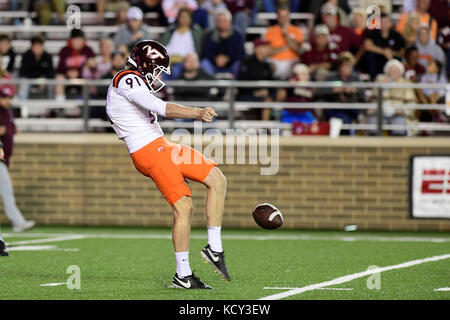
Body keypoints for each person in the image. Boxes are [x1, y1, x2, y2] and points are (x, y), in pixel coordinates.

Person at [106, 40, 230, 289]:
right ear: (146, 63)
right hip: (149, 151)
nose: (158, 74)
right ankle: (183, 275)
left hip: (162, 146)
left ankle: (214, 249)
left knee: (216, 178)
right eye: (157, 68)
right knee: (183, 207)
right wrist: (196, 112)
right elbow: (159, 107)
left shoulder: (135, 79)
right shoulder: (126, 79)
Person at [0, 87, 36, 233]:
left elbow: (11, 128)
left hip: (4, 158)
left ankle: (18, 221)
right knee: (7, 189)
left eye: (10, 98)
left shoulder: (7, 112)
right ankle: (18, 221)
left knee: (6, 189)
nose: (8, 100)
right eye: (5, 97)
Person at [316, 52, 363, 134]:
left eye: (350, 66)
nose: (349, 68)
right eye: (346, 65)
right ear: (340, 66)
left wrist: (355, 90)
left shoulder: (356, 78)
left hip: (350, 107)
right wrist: (332, 90)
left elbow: (363, 93)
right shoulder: (331, 77)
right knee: (342, 118)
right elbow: (319, 92)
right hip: (335, 107)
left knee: (350, 117)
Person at [368, 59, 417, 136]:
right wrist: (382, 86)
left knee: (399, 124)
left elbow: (412, 102)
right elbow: (372, 97)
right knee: (373, 122)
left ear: (400, 72)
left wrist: (403, 110)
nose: (393, 72)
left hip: (398, 112)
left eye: (396, 70)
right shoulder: (380, 80)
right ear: (387, 71)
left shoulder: (405, 83)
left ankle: (396, 146)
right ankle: (374, 145)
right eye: (391, 70)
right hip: (380, 111)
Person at [237, 38, 279, 120]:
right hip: (247, 95)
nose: (268, 48)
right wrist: (254, 92)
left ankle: (271, 124)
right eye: (264, 46)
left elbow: (272, 83)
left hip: (263, 96)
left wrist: (267, 91)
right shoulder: (247, 63)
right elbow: (241, 82)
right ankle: (265, 128)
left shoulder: (267, 65)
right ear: (257, 49)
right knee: (267, 100)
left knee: (278, 94)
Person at [161, 8, 204, 79]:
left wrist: (181, 59)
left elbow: (198, 50)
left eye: (186, 17)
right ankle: (166, 89)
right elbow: (164, 45)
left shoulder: (196, 32)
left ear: (190, 19)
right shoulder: (171, 30)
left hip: (186, 60)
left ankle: (174, 89)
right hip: (169, 59)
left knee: (176, 70)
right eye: (182, 17)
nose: (183, 19)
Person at [201, 9, 245, 77]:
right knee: (204, 63)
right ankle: (210, 85)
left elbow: (240, 53)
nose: (221, 23)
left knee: (238, 64)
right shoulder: (210, 35)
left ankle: (234, 85)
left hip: (231, 65)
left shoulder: (237, 35)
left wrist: (227, 58)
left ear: (229, 22)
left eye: (224, 21)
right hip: (214, 64)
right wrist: (215, 58)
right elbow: (206, 52)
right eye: (219, 21)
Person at [264, 4, 303, 80]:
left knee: (299, 67)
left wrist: (286, 35)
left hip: (292, 61)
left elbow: (298, 50)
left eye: (285, 16)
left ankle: (298, 91)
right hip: (275, 62)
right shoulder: (270, 31)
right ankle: (269, 90)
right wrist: (287, 46)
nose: (284, 19)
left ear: (289, 17)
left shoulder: (297, 30)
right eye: (281, 16)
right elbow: (268, 51)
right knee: (267, 67)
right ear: (278, 17)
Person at [55, 28, 95, 101]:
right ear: (71, 40)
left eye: (80, 40)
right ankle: (60, 105)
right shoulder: (64, 50)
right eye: (75, 40)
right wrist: (68, 72)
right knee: (59, 77)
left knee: (89, 77)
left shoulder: (88, 50)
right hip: (67, 77)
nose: (78, 42)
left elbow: (93, 67)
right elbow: (60, 67)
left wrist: (79, 71)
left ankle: (89, 103)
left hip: (82, 77)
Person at [363, 12, 406, 79]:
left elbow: (402, 51)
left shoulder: (396, 35)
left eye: (386, 22)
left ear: (390, 23)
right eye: (382, 22)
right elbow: (367, 45)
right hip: (377, 63)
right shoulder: (373, 34)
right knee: (370, 55)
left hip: (392, 61)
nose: (384, 24)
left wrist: (392, 53)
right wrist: (383, 51)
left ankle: (395, 77)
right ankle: (373, 78)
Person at [18, 35, 55, 100]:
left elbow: (51, 73)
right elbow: (23, 72)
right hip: (29, 79)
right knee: (23, 82)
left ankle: (52, 107)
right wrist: (38, 78)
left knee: (51, 83)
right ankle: (22, 106)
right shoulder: (26, 56)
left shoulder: (47, 57)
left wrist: (43, 78)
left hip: (44, 80)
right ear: (32, 47)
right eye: (36, 46)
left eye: (39, 46)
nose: (38, 48)